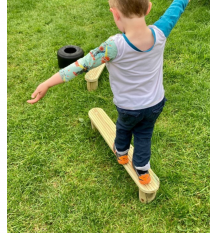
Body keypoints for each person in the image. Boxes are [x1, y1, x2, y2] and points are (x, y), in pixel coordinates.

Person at [27, 0, 189, 185]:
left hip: (129, 108)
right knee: (145, 134)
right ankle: (143, 170)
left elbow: (81, 65)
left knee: (124, 127)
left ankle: (121, 152)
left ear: (115, 14)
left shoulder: (114, 46)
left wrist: (47, 83)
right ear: (149, 7)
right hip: (155, 104)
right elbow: (176, 9)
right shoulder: (160, 32)